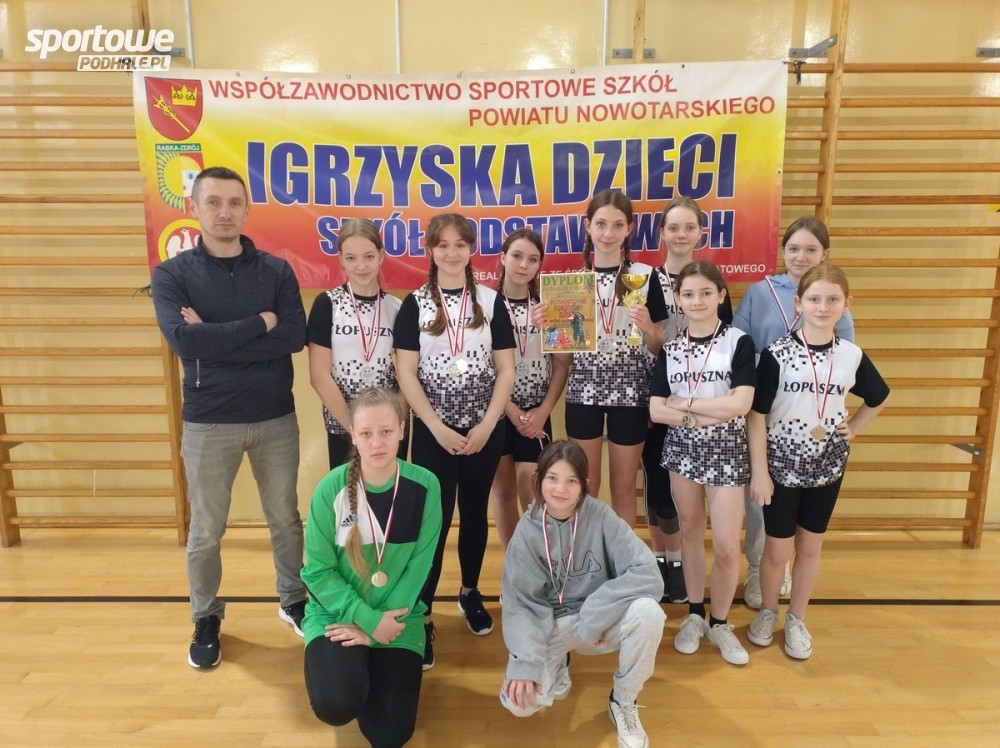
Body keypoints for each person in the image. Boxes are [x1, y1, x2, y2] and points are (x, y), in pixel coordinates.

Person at [151, 165, 308, 668]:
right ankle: (206, 616)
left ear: (246, 210)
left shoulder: (276, 271)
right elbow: (184, 341)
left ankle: (294, 600)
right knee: (206, 530)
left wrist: (215, 339)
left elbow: (292, 337)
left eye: (234, 203)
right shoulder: (173, 275)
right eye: (213, 202)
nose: (224, 212)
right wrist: (260, 322)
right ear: (193, 207)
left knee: (285, 519)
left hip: (274, 418)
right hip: (208, 423)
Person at [393, 213, 516, 669]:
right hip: (434, 434)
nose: (451, 253)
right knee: (435, 522)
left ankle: (470, 592)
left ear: (471, 250)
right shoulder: (415, 304)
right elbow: (406, 372)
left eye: (460, 244)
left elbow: (506, 369)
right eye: (442, 245)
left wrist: (487, 425)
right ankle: (423, 613)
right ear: (430, 250)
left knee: (476, 514)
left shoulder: (491, 301)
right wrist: (435, 426)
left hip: (484, 430)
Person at [747, 264, 888, 659]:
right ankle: (769, 611)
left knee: (810, 546)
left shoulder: (851, 356)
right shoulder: (776, 354)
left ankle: (796, 618)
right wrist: (760, 472)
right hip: (780, 467)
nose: (822, 307)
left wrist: (854, 427)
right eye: (814, 299)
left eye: (832, 299)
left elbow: (879, 396)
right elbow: (755, 416)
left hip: (827, 466)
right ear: (799, 303)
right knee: (778, 551)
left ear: (846, 304)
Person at [301, 387, 442, 747]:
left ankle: (369, 671)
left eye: (386, 431)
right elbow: (317, 572)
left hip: (398, 617)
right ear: (352, 435)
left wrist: (380, 628)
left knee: (390, 735)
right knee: (336, 704)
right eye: (366, 433)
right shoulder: (329, 490)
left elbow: (419, 568)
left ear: (402, 430)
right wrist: (366, 619)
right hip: (336, 615)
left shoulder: (426, 486)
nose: (376, 443)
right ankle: (353, 674)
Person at [500, 440, 664, 748]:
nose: (561, 489)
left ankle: (623, 700)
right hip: (552, 624)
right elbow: (521, 603)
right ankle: (558, 662)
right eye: (552, 478)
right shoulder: (526, 531)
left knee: (649, 613)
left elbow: (648, 574)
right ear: (538, 479)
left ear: (584, 485)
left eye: (571, 481)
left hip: (598, 626)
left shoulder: (601, 517)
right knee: (519, 704)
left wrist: (594, 615)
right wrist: (526, 661)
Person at [733, 216, 855, 609]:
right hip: (764, 408)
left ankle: (781, 565)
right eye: (793, 248)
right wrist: (775, 369)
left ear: (825, 254)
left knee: (802, 500)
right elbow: (738, 346)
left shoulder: (831, 296)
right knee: (761, 491)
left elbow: (846, 360)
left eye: (811, 249)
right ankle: (759, 565)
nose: (801, 256)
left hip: (809, 416)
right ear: (783, 252)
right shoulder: (760, 292)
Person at [649, 261, 756, 666]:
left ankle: (721, 622)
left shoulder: (738, 342)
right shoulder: (672, 348)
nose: (697, 301)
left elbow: (741, 404)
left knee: (727, 546)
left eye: (706, 292)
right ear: (678, 299)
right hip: (683, 452)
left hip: (727, 453)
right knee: (691, 534)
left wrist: (687, 404)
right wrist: (702, 415)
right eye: (689, 294)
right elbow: (657, 410)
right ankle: (695, 614)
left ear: (721, 295)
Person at [642, 196, 735, 604]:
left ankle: (680, 561)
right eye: (673, 227)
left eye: (689, 227)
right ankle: (662, 558)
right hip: (659, 398)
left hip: (706, 409)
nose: (681, 234)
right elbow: (646, 344)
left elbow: (725, 346)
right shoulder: (645, 280)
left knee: (692, 496)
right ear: (661, 234)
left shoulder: (712, 281)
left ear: (701, 233)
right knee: (658, 484)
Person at [561, 189, 667, 528]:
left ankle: (622, 558)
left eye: (618, 225)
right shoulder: (570, 282)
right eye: (601, 224)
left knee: (623, 489)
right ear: (588, 226)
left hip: (631, 394)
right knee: (585, 489)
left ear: (629, 229)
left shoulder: (645, 276)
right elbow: (564, 354)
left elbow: (658, 347)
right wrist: (549, 327)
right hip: (583, 394)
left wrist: (649, 329)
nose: (608, 233)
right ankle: (585, 556)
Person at [490, 228, 571, 549]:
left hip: (537, 412)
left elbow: (562, 364)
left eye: (533, 259)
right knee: (503, 491)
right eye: (517, 256)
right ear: (502, 258)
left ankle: (538, 560)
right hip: (498, 411)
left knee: (533, 490)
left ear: (540, 265)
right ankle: (514, 562)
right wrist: (511, 412)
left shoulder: (547, 307)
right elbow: (484, 367)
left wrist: (543, 411)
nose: (524, 265)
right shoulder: (486, 305)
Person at [306, 218, 407, 469]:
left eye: (369, 257)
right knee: (348, 492)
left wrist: (395, 424)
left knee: (391, 491)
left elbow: (408, 374)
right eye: (351, 258)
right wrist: (355, 428)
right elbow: (319, 376)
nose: (361, 266)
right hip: (343, 426)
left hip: (387, 428)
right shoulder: (327, 304)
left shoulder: (397, 308)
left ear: (381, 256)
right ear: (341, 259)